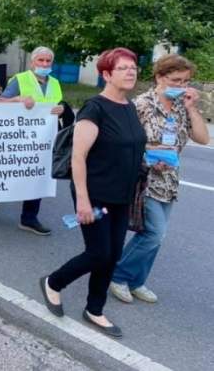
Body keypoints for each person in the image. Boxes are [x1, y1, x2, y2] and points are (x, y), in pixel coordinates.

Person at [40, 48, 146, 338]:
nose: (130, 72)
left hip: (122, 195)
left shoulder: (130, 107)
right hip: (95, 194)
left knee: (111, 256)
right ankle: (53, 282)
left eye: (133, 67)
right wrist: (83, 201)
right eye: (122, 68)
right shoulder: (94, 108)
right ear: (106, 74)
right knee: (98, 253)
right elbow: (78, 157)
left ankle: (94, 310)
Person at [109, 55, 210, 304]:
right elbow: (125, 142)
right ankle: (118, 276)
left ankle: (136, 281)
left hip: (169, 178)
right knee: (154, 233)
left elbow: (203, 138)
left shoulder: (180, 106)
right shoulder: (141, 104)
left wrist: (191, 107)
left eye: (186, 81)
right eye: (175, 80)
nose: (182, 85)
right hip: (143, 178)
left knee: (156, 236)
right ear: (159, 77)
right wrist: (148, 159)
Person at [0, 46, 65, 235]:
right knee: (12, 174)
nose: (44, 64)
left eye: (48, 61)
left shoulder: (55, 83)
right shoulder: (20, 79)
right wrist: (18, 100)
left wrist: (60, 109)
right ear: (32, 62)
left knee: (38, 176)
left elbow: (58, 104)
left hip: (43, 139)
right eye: (40, 61)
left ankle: (29, 218)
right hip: (19, 138)